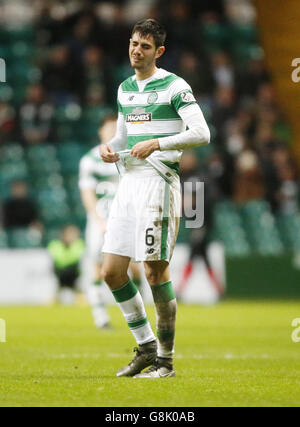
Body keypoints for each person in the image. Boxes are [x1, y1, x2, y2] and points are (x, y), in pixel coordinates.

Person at [100, 19, 210, 378]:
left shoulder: (175, 86)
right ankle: (145, 346)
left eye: (145, 46)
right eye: (133, 43)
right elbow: (122, 137)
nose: (136, 50)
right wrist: (111, 149)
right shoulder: (125, 88)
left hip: (159, 181)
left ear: (158, 52)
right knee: (112, 272)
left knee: (153, 269)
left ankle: (166, 360)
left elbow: (201, 132)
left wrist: (159, 143)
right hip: (128, 182)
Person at [79, 115, 143, 329]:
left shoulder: (128, 154)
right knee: (98, 267)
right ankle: (101, 317)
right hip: (101, 220)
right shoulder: (89, 160)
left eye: (116, 128)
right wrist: (98, 220)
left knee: (133, 267)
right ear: (100, 131)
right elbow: (87, 193)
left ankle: (137, 312)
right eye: (108, 128)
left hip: (126, 217)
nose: (112, 131)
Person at [48, 225, 85, 305]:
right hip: (60, 274)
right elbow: (60, 259)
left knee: (79, 292)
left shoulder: (78, 244)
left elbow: (73, 258)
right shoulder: (55, 245)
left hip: (73, 274)